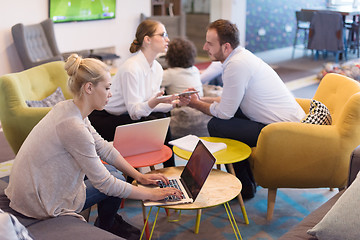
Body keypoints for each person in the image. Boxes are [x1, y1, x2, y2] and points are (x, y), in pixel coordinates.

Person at [4, 54, 182, 239]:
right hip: (39, 203)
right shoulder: (74, 127)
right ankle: (106, 228)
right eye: (107, 88)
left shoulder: (69, 108)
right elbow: (105, 184)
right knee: (113, 180)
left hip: (27, 191)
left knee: (115, 171)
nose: (110, 94)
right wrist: (151, 195)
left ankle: (108, 223)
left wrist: (139, 176)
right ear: (89, 87)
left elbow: (103, 147)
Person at [183, 19, 306, 199]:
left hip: (282, 131)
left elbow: (225, 112)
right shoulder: (240, 57)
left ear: (226, 47)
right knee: (226, 118)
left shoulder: (236, 65)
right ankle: (249, 181)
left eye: (209, 43)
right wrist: (200, 99)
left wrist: (194, 104)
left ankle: (244, 186)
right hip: (279, 123)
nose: (204, 47)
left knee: (218, 125)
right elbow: (229, 100)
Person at [89, 19, 182, 168]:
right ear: (147, 40)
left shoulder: (157, 68)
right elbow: (135, 112)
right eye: (163, 34)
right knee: (149, 121)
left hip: (125, 115)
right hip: (103, 118)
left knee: (161, 117)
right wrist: (155, 102)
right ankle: (132, 176)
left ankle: (170, 170)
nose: (168, 39)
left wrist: (174, 103)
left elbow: (150, 104)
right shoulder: (131, 68)